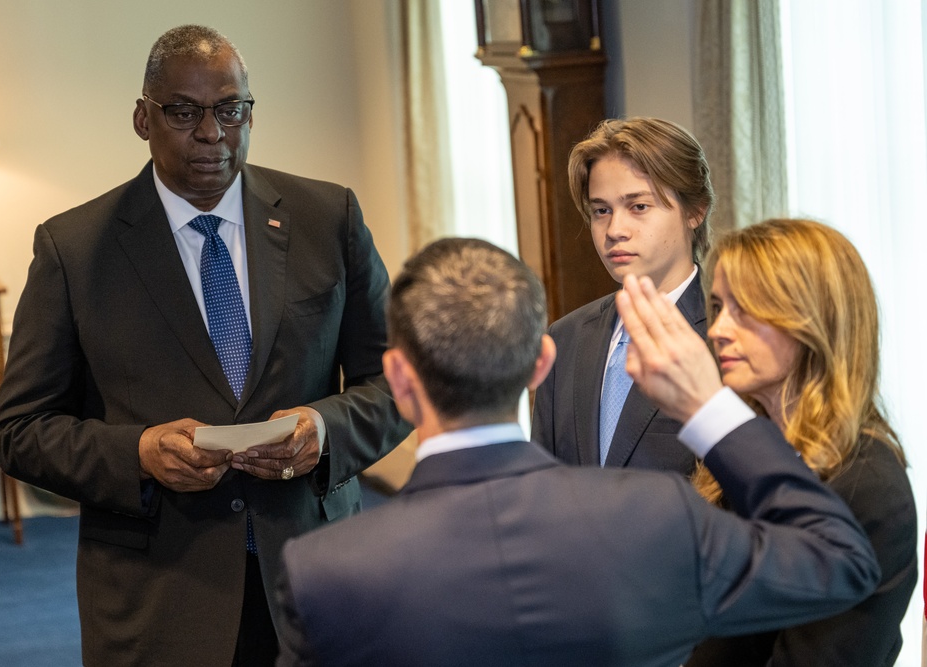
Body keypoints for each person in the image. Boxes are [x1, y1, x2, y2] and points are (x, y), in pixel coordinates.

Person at [0, 25, 409, 666]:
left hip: (316, 578)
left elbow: (398, 382)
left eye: (230, 110)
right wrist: (136, 452)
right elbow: (19, 430)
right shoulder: (73, 250)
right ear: (142, 117)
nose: (212, 134)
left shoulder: (330, 218)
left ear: (250, 111)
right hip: (160, 599)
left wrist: (325, 428)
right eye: (183, 113)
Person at [274, 237, 880, 667]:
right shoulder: (656, 516)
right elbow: (841, 561)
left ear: (399, 379)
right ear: (541, 363)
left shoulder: (324, 572)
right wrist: (708, 408)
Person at [683, 219, 917, 667]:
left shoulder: (867, 484)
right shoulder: (743, 456)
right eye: (718, 306)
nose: (717, 330)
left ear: (814, 319)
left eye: (745, 310)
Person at [531, 117, 711, 474]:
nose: (614, 230)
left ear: (695, 210)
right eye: (601, 211)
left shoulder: (727, 339)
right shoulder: (565, 339)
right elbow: (545, 483)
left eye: (638, 207)